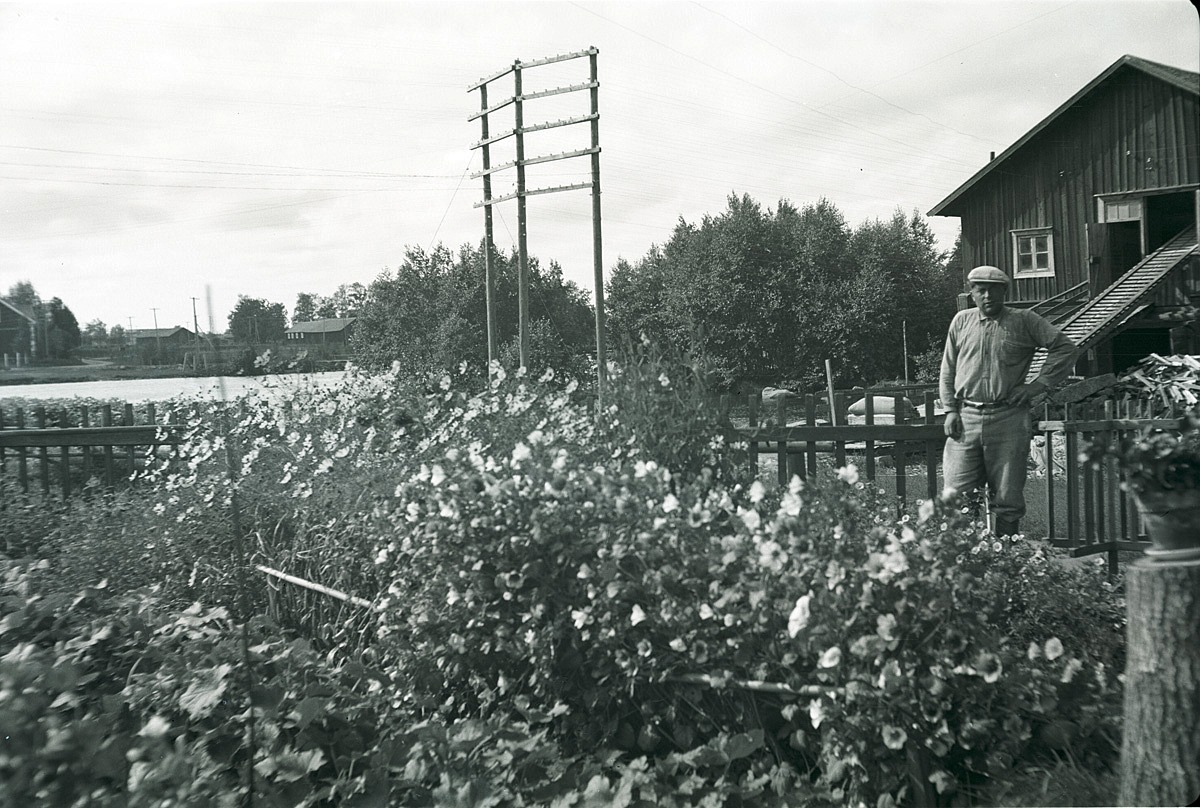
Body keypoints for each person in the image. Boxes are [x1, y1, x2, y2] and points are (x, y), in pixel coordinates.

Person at [939, 266, 1077, 537]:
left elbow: (1065, 347)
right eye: (980, 290)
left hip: (1009, 419)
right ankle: (964, 563)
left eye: (994, 289)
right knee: (955, 495)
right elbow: (948, 369)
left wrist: (1038, 385)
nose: (987, 295)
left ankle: (1004, 563)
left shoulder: (1024, 320)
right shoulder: (961, 321)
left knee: (1007, 496)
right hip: (965, 418)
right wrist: (949, 410)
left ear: (1005, 291)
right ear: (972, 293)